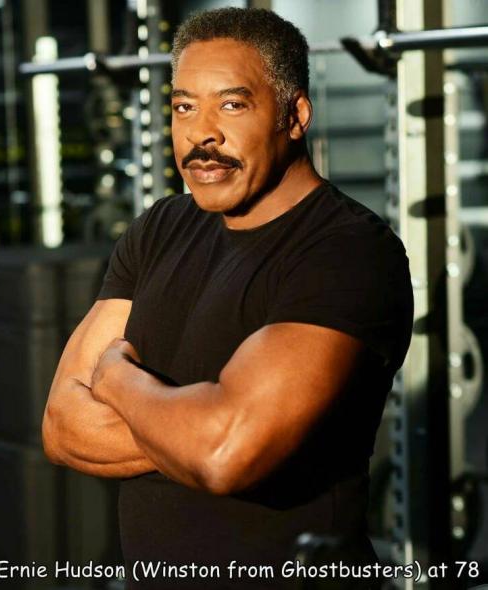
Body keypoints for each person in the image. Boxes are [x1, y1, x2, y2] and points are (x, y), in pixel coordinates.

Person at [42, 7, 413, 590]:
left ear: (295, 116)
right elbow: (63, 427)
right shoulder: (159, 229)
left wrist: (115, 379)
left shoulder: (346, 252)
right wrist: (196, 425)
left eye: (232, 105)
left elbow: (224, 453)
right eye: (184, 107)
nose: (201, 134)